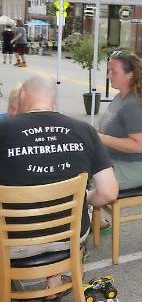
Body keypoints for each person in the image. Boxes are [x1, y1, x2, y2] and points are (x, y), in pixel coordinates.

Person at [0, 76, 118, 298]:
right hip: (68, 239)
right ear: (54, 102)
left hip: (12, 242)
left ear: (23, 96)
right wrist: (85, 197)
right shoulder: (84, 130)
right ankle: (54, 283)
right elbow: (109, 192)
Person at [98, 50, 142, 190]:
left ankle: (86, 207)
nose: (108, 76)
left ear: (130, 74)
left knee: (81, 187)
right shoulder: (119, 98)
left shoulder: (135, 104)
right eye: (108, 71)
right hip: (114, 161)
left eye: (113, 72)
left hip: (134, 168)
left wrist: (100, 138)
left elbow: (137, 146)